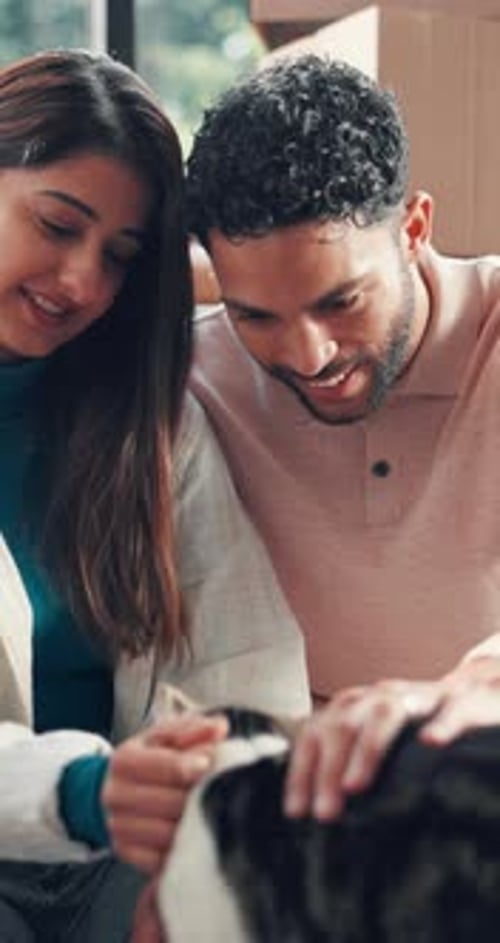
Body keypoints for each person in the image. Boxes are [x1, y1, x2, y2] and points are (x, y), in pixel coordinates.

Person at [0, 48, 310, 941]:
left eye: (122, 257)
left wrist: (208, 841)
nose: (83, 283)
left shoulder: (149, 418)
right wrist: (80, 793)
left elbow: (241, 666)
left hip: (116, 855)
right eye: (59, 225)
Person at [185, 53, 500, 821]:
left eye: (341, 300)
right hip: (314, 813)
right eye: (255, 314)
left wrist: (470, 690)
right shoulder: (194, 377)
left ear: (416, 227)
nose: (308, 355)